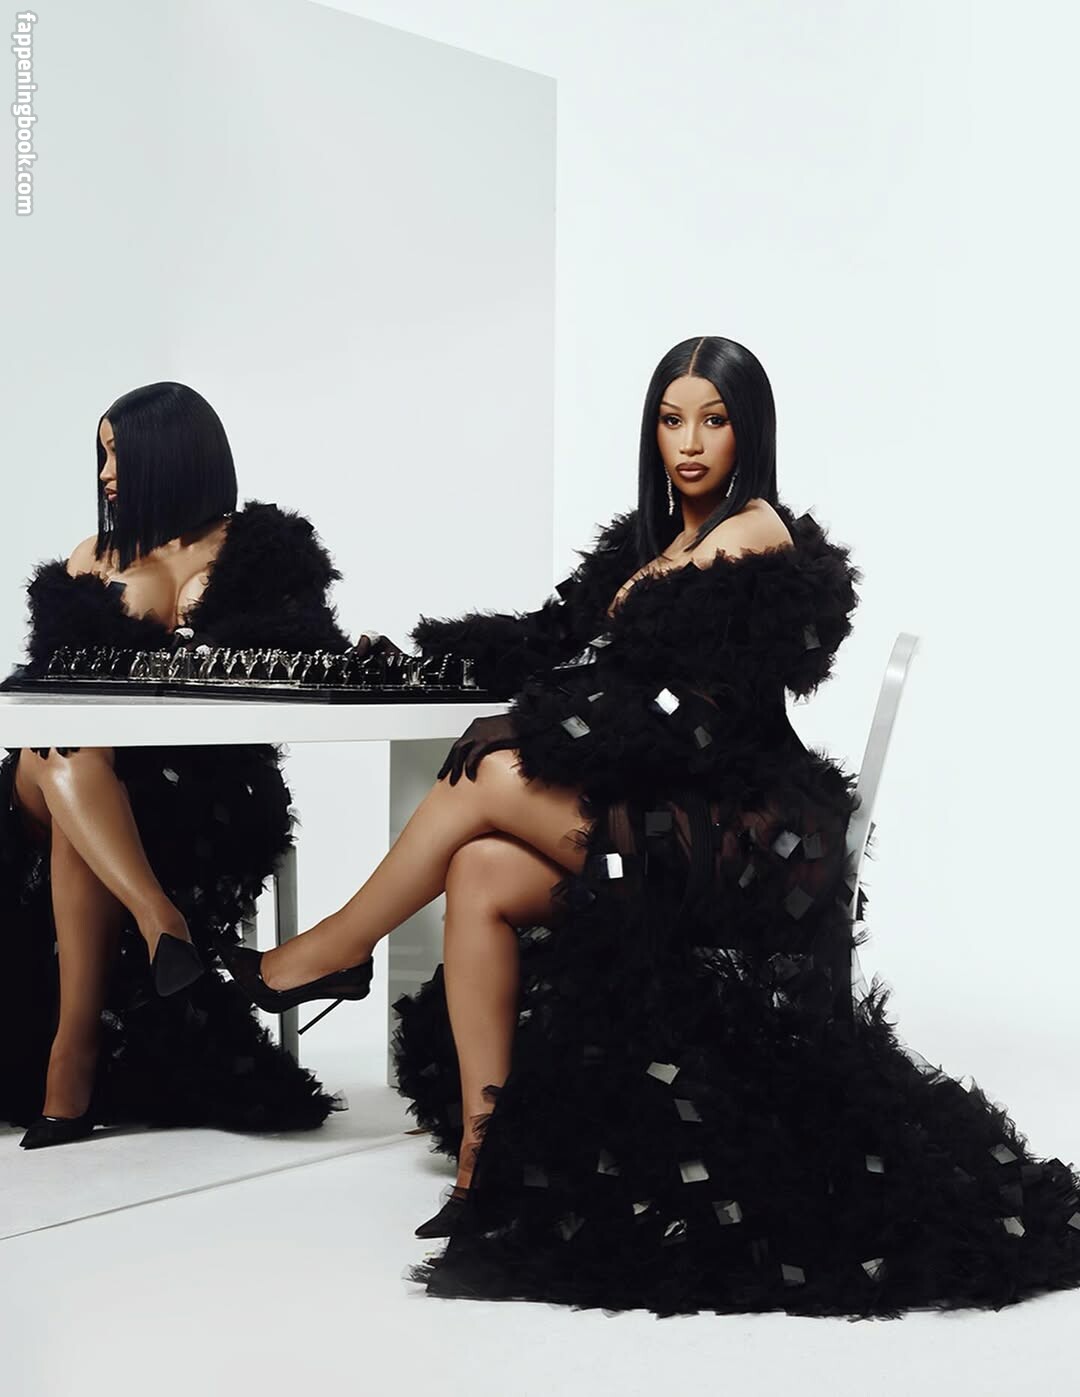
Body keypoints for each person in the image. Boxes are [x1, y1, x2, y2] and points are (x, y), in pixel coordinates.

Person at [220, 338, 1080, 1318]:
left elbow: (686, 719)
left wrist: (529, 726)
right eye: (673, 420)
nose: (691, 442)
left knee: (489, 774)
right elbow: (557, 640)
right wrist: (443, 662)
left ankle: (328, 952)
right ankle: (482, 1165)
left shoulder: (750, 534)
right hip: (665, 811)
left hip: (743, 834)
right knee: (481, 869)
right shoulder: (657, 537)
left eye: (714, 419)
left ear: (749, 431)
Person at [0, 380, 386, 1148]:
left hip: (190, 790)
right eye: (102, 455)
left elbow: (303, 649)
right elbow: (51, 687)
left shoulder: (261, 548)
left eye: (119, 453)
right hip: (55, 776)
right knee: (68, 745)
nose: (106, 473)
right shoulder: (93, 555)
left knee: (83, 791)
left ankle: (72, 1061)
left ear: (171, 452)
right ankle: (158, 921)